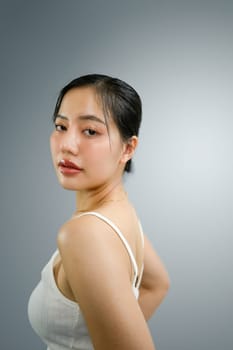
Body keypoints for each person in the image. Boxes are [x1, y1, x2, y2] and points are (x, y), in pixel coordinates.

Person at [28, 74, 170, 350]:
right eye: (61, 126)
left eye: (90, 131)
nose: (67, 145)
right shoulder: (122, 213)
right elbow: (157, 284)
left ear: (127, 148)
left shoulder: (84, 234)